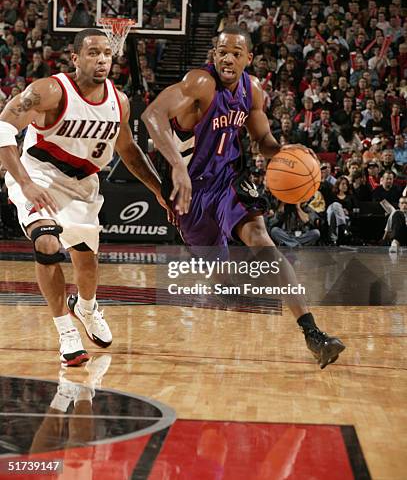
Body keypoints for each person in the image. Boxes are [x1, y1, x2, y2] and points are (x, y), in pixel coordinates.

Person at [142, 26, 345, 369]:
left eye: (236, 52)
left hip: (229, 179)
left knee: (262, 240)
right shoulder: (200, 83)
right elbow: (151, 115)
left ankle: (312, 332)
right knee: (219, 275)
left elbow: (262, 139)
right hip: (190, 189)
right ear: (214, 54)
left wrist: (285, 153)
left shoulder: (251, 91)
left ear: (248, 58)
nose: (228, 58)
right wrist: (176, 165)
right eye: (222, 51)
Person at [0, 29, 167, 366]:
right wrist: (25, 183)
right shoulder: (50, 90)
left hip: (84, 186)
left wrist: (158, 189)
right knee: (46, 242)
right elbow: (3, 127)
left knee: (87, 263)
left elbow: (128, 150)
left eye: (106, 52)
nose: (102, 58)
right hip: (40, 176)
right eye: (92, 52)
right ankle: (67, 334)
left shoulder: (119, 102)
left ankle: (86, 307)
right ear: (75, 58)